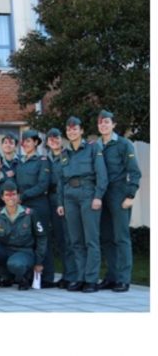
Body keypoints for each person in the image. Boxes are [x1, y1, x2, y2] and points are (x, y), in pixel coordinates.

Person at [56, 116, 108, 293]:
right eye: (69, 129)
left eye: (75, 128)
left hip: (88, 194)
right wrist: (60, 202)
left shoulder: (93, 148)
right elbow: (60, 181)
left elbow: (102, 174)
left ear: (81, 130)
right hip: (69, 196)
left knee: (91, 239)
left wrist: (98, 196)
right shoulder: (64, 153)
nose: (71, 131)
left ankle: (91, 279)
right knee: (76, 240)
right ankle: (80, 277)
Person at [96, 110, 141, 293]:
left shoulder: (123, 144)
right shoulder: (96, 146)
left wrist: (130, 195)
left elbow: (134, 171)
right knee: (106, 238)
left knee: (121, 238)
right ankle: (111, 276)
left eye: (106, 122)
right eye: (100, 123)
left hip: (119, 195)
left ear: (113, 124)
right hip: (102, 196)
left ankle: (123, 279)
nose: (103, 125)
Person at [0, 180, 47, 290]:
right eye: (7, 195)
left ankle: (24, 278)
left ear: (18, 196)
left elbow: (41, 238)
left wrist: (39, 262)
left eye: (13, 194)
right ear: (2, 197)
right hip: (4, 250)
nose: (10, 198)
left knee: (15, 264)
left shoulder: (30, 214)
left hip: (24, 252)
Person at [15, 130, 55, 288]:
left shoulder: (43, 160)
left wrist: (22, 196)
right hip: (23, 206)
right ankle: (28, 276)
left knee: (43, 239)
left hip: (39, 205)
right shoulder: (20, 162)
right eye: (24, 141)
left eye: (29, 141)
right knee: (26, 241)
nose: (25, 144)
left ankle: (47, 278)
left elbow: (43, 185)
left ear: (36, 143)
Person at [45, 128, 77, 288]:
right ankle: (66, 274)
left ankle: (73, 275)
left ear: (61, 139)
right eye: (50, 138)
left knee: (68, 239)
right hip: (50, 200)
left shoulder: (69, 155)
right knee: (60, 238)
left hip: (65, 200)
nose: (54, 140)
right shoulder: (46, 159)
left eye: (56, 137)